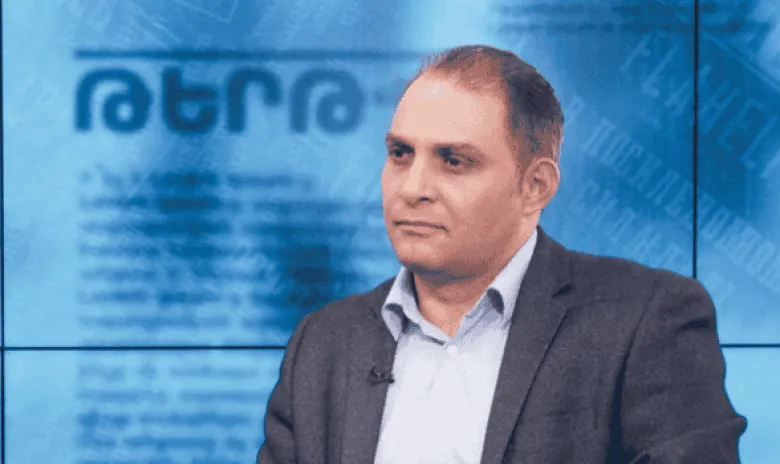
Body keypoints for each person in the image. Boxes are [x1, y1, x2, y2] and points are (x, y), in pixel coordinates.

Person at [256, 44, 747, 464]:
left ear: (535, 187)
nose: (412, 188)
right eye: (401, 154)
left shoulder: (645, 319)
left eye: (454, 161)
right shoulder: (323, 343)